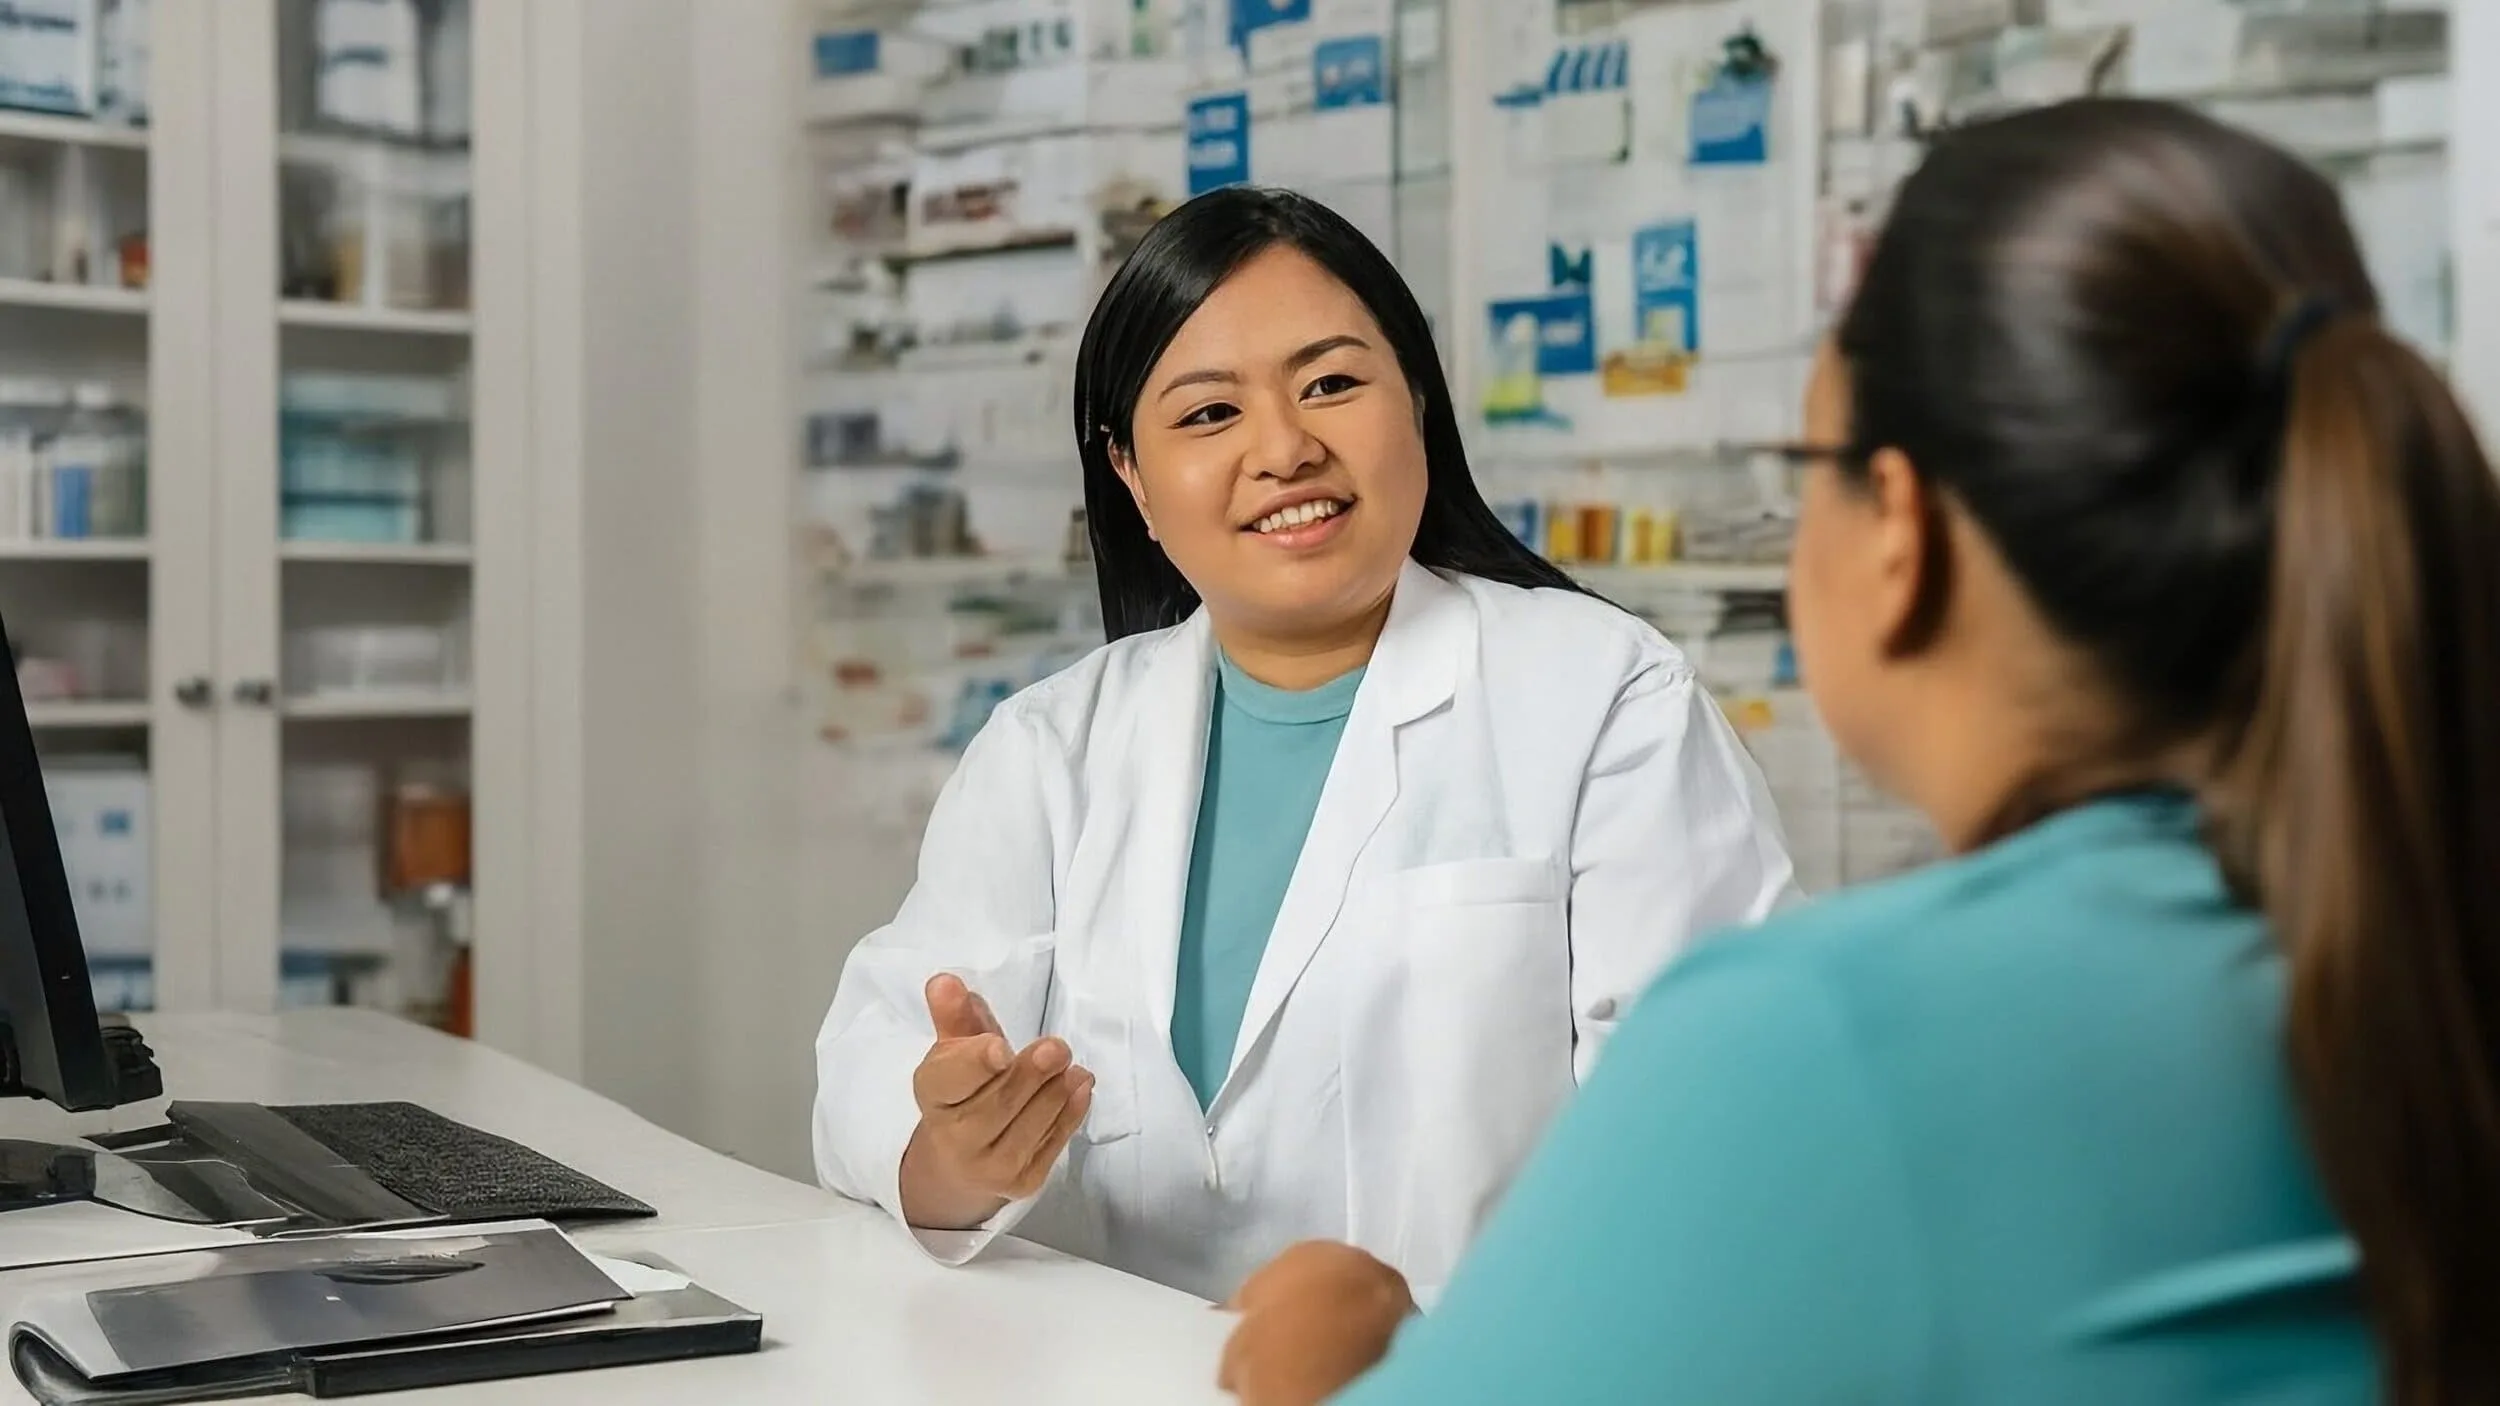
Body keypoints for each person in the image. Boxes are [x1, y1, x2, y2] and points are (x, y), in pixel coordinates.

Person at [1216, 97, 2500, 1404]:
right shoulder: (2412, 938)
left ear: (1901, 529)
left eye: (1810, 458)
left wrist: (1334, 1359)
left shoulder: (1827, 1036)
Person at [809, 187, 1798, 1303]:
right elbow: (872, 1060)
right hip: (1115, 1372)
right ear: (1130, 475)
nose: (1284, 449)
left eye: (1330, 384)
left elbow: (1714, 1142)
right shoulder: (1052, 748)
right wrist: (953, 1152)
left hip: (1481, 1372)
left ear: (1416, 400)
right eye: (1207, 414)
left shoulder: (1606, 697)